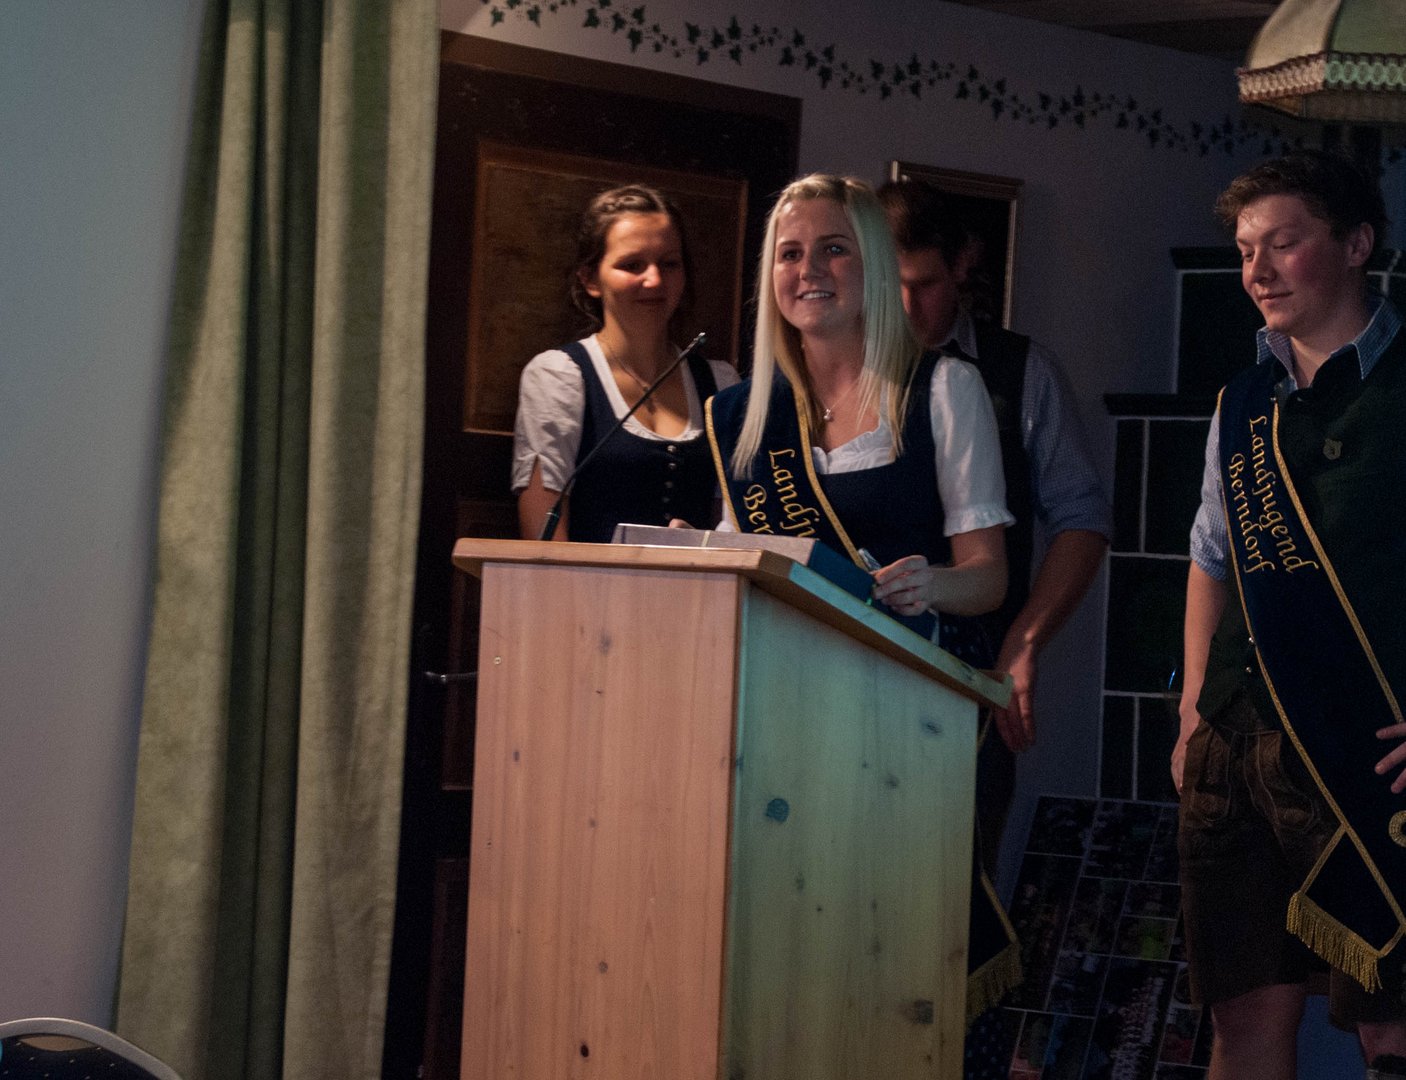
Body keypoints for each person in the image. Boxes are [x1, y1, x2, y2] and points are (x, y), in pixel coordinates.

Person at [704, 173, 1020, 1029]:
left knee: (897, 965)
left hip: (908, 719)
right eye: (791, 253)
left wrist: (933, 583)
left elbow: (988, 575)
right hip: (784, 724)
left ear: (875, 267)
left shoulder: (942, 389)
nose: (810, 270)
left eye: (834, 249)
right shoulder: (738, 416)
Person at [1172, 150, 1406, 1080]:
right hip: (1236, 745)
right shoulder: (1241, 401)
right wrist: (1192, 710)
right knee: (1241, 1022)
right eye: (1244, 250)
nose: (1258, 271)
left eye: (1284, 243)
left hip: (1368, 748)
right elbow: (1210, 557)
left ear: (1356, 244)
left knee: (1390, 1029)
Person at [878, 179, 1111, 766]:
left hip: (976, 672)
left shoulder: (1022, 372)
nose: (905, 307)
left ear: (963, 264)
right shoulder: (841, 376)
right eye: (888, 285)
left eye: (925, 285)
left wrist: (1024, 641)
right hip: (857, 661)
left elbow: (1082, 518)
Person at [512, 184, 738, 541]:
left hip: (694, 580)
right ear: (590, 279)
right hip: (582, 580)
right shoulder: (559, 377)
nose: (655, 279)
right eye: (632, 265)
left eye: (669, 263)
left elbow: (734, 531)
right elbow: (544, 547)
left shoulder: (721, 385)